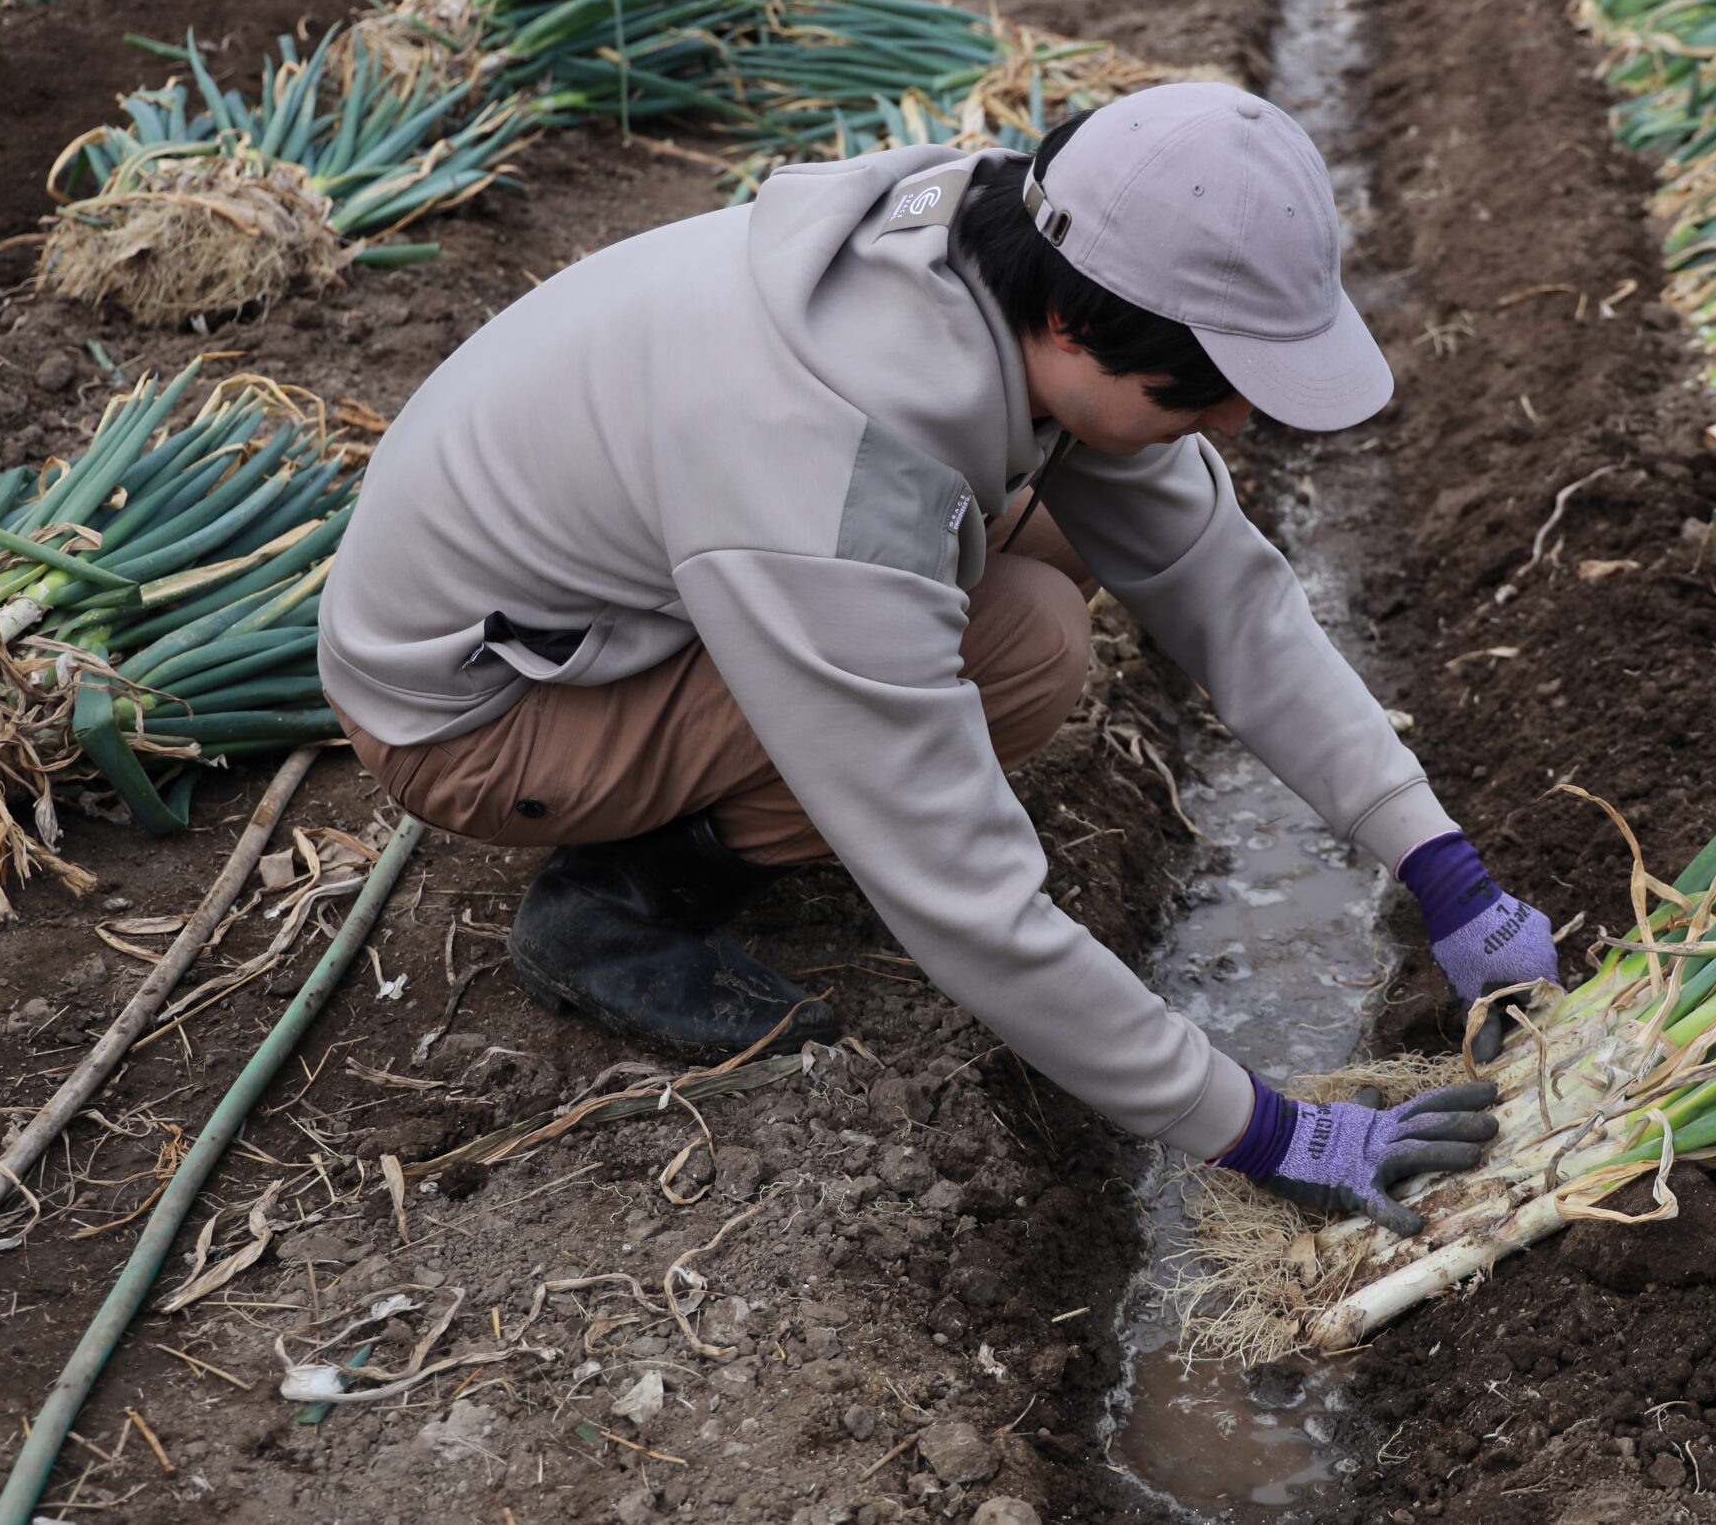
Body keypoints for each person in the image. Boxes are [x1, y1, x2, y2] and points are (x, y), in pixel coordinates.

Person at [319, 83, 1557, 1234]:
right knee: (1020, 648)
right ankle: (620, 897)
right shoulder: (831, 475)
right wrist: (1267, 1131)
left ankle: (703, 801)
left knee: (1057, 561)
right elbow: (964, 900)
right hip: (482, 716)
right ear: (1077, 324)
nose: (1233, 422)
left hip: (640, 592)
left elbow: (1228, 596)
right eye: (1208, 390)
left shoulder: (1014, 258)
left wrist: (1442, 869)